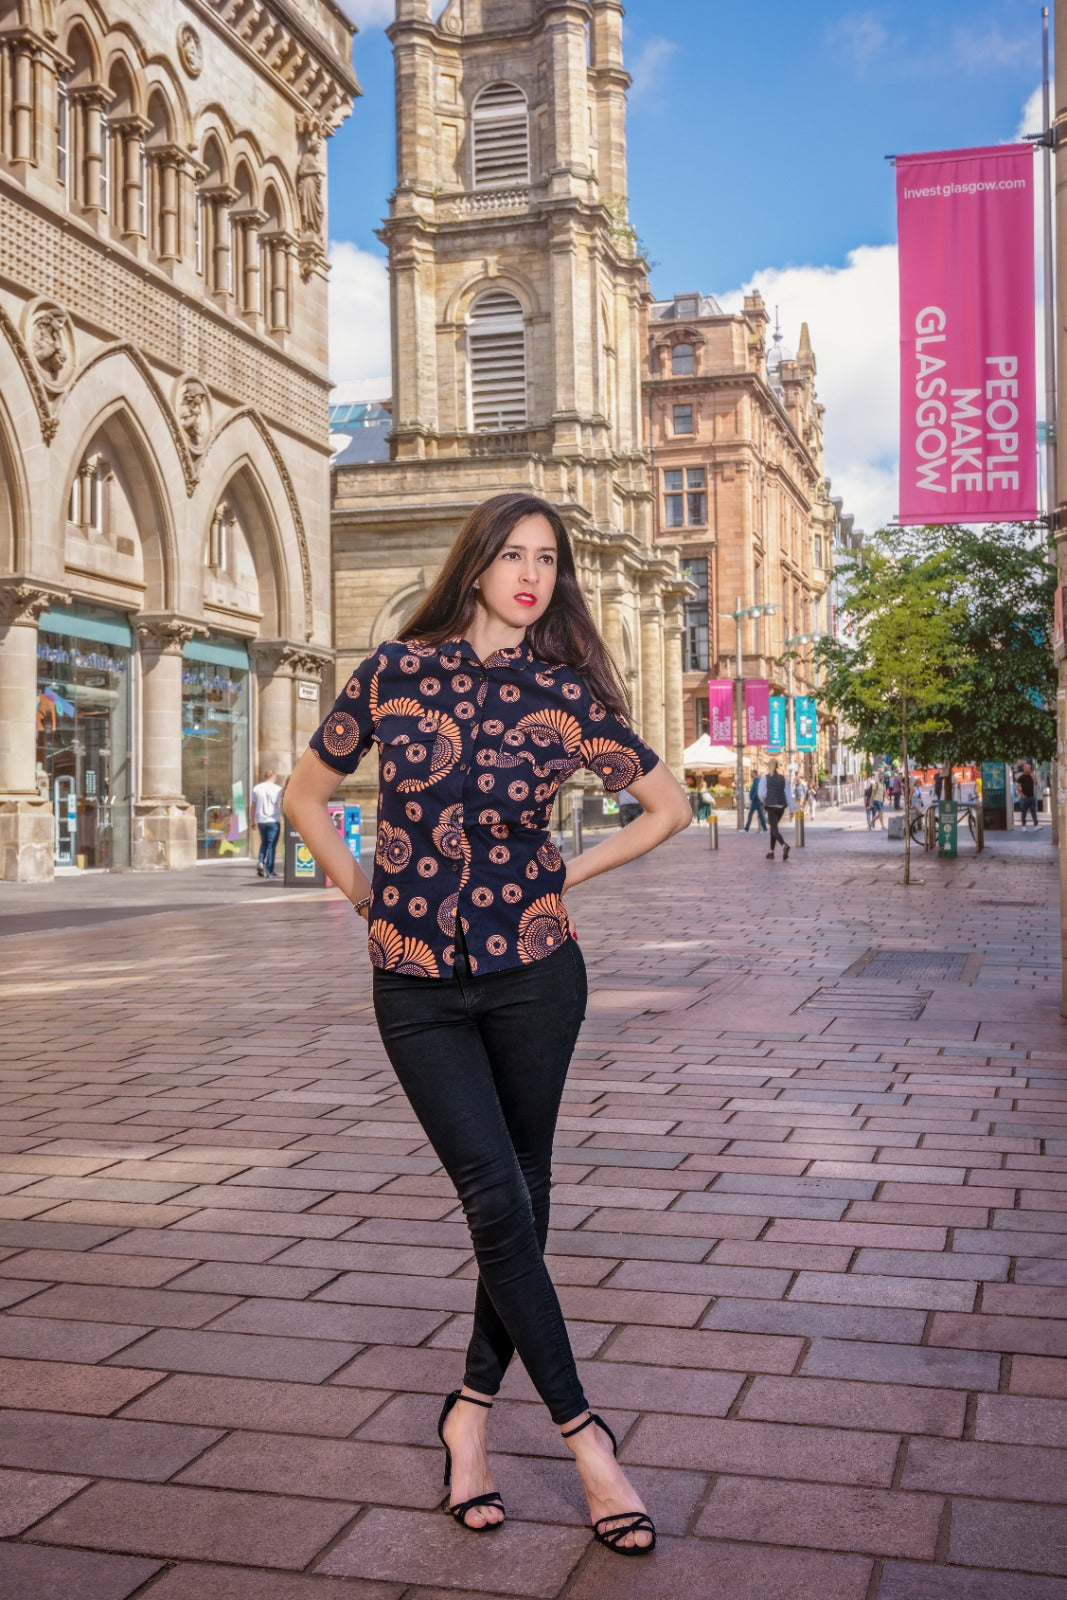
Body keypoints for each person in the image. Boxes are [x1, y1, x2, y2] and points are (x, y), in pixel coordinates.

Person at [284, 492, 691, 1554]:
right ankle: (586, 1438)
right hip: (413, 982)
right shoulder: (391, 673)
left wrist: (571, 872)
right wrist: (364, 891)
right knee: (494, 1197)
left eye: (546, 559)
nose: (529, 574)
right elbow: (304, 791)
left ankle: (467, 1418)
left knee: (521, 1199)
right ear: (474, 567)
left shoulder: (564, 694)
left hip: (534, 975)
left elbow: (669, 806)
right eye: (511, 555)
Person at [758, 759, 794, 860]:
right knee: (774, 828)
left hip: (771, 807)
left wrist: (765, 800)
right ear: (777, 766)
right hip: (781, 807)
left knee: (774, 829)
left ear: (768, 767)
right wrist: (792, 809)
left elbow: (761, 794)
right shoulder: (784, 779)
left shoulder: (765, 778)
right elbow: (788, 794)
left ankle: (784, 845)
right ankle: (771, 851)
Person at [250, 769, 283, 877]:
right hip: (273, 820)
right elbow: (280, 805)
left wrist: (252, 819)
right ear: (273, 776)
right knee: (271, 845)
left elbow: (253, 805)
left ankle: (260, 862)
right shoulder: (278, 789)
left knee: (264, 843)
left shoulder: (257, 788)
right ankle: (269, 870)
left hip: (261, 820)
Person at [744, 769, 767, 833]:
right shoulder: (756, 781)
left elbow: (757, 791)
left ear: (754, 773)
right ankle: (765, 829)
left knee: (751, 814)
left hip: (756, 800)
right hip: (757, 800)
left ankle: (747, 828)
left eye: (751, 773)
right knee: (760, 815)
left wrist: (752, 798)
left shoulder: (756, 781)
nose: (750, 774)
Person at [1017, 761, 1040, 827]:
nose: (1030, 769)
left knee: (1034, 812)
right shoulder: (1021, 777)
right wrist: (1022, 795)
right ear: (1025, 769)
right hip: (1025, 798)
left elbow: (1036, 784)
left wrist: (1033, 777)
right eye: (1029, 768)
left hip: (1032, 797)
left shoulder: (1031, 776)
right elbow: (1018, 787)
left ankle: (1036, 825)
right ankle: (1023, 825)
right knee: (1024, 813)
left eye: (1030, 768)